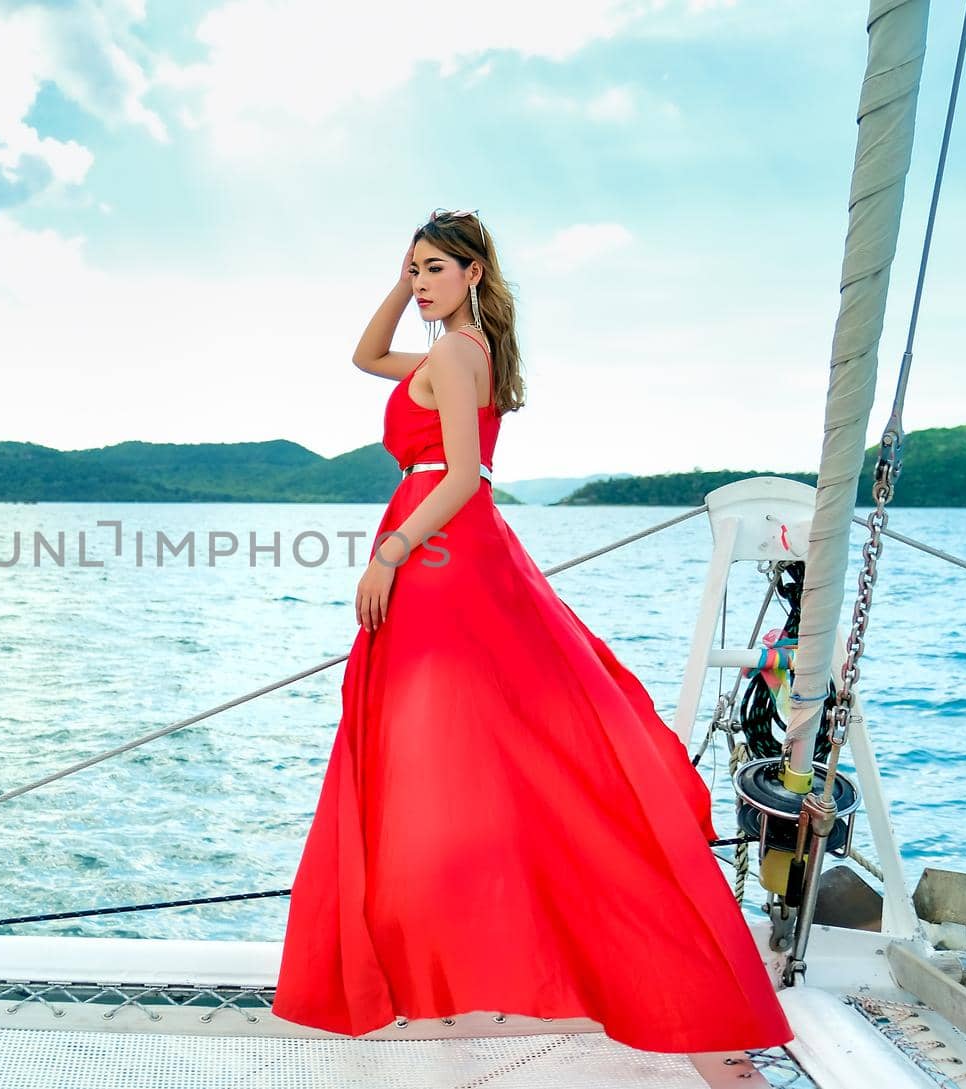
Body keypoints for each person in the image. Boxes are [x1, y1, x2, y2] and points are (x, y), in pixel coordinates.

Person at [269, 209, 795, 1054]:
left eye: (437, 267)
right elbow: (364, 358)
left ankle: (459, 954)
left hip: (436, 543)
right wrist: (400, 283)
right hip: (442, 544)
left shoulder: (453, 351)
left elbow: (468, 477)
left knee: (430, 745)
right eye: (414, 269)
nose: (421, 281)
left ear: (475, 273)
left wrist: (395, 551)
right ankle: (445, 952)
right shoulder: (461, 350)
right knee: (471, 743)